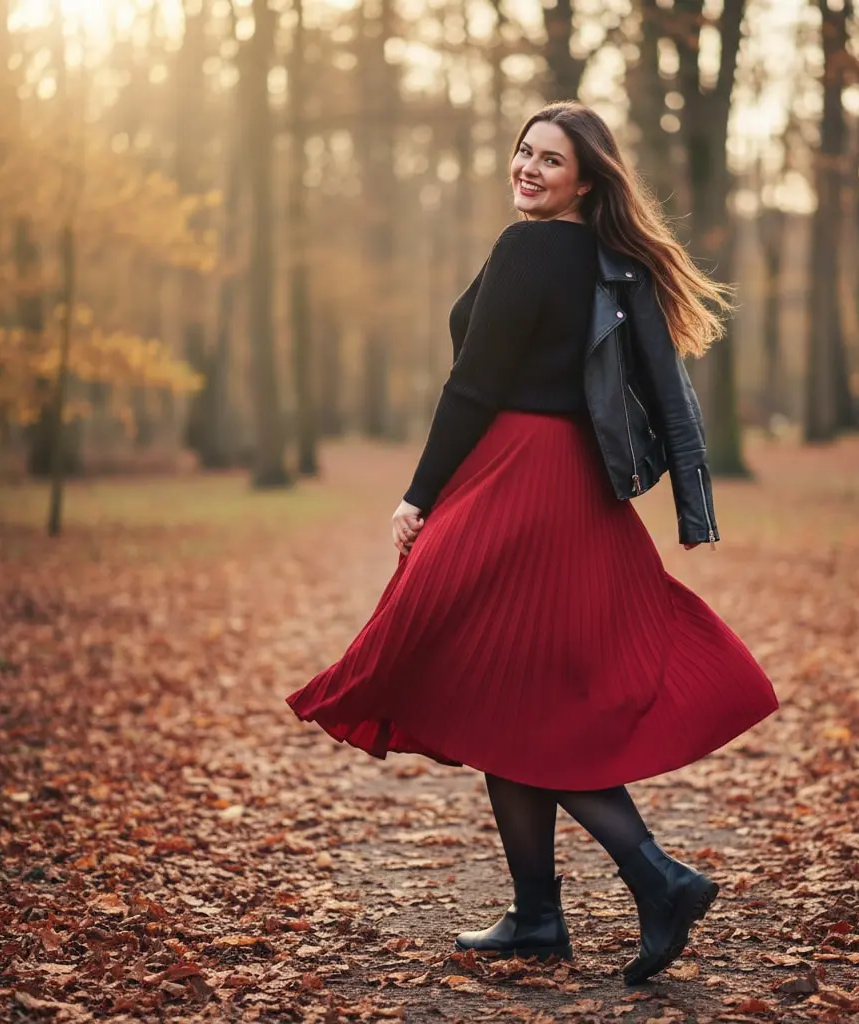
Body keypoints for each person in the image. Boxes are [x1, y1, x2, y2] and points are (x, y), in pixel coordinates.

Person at [286, 101, 778, 986]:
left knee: (492, 679)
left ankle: (655, 877)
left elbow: (474, 386)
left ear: (586, 181)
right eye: (524, 151)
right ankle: (541, 915)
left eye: (551, 159)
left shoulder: (533, 249)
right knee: (515, 696)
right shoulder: (607, 261)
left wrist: (419, 492)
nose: (529, 167)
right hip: (572, 486)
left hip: (519, 480)